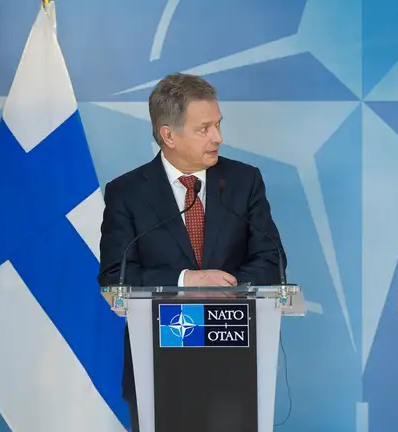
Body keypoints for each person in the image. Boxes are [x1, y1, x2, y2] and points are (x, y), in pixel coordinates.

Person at [97, 73, 285, 431]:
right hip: (158, 366)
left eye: (218, 124)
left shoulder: (244, 181)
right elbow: (114, 278)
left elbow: (271, 259)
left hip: (234, 362)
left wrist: (226, 289)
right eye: (204, 129)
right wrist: (186, 282)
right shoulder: (127, 192)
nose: (218, 137)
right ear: (168, 135)